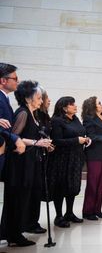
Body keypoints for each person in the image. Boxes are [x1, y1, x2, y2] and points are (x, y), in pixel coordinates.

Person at [0, 80, 52, 247]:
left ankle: (16, 232)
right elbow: (14, 138)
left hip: (29, 162)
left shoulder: (33, 114)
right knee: (17, 198)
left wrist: (42, 143)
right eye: (38, 97)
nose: (41, 100)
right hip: (19, 164)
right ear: (29, 98)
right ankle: (14, 234)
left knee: (24, 198)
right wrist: (37, 143)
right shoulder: (22, 113)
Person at [49, 96, 90, 228]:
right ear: (64, 107)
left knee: (72, 186)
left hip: (76, 158)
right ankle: (59, 216)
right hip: (62, 159)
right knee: (61, 187)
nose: (75, 106)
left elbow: (80, 133)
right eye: (72, 104)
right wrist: (76, 140)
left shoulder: (76, 119)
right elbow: (56, 141)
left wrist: (85, 139)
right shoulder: (57, 121)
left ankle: (69, 213)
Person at [81, 96, 102, 221]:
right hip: (94, 154)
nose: (101, 104)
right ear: (92, 106)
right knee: (92, 183)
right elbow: (91, 136)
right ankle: (88, 211)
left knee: (101, 184)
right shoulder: (89, 119)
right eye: (99, 103)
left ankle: (97, 209)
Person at [0, 63, 26, 175]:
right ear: (3, 81)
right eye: (15, 78)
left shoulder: (4, 98)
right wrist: (15, 138)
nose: (18, 81)